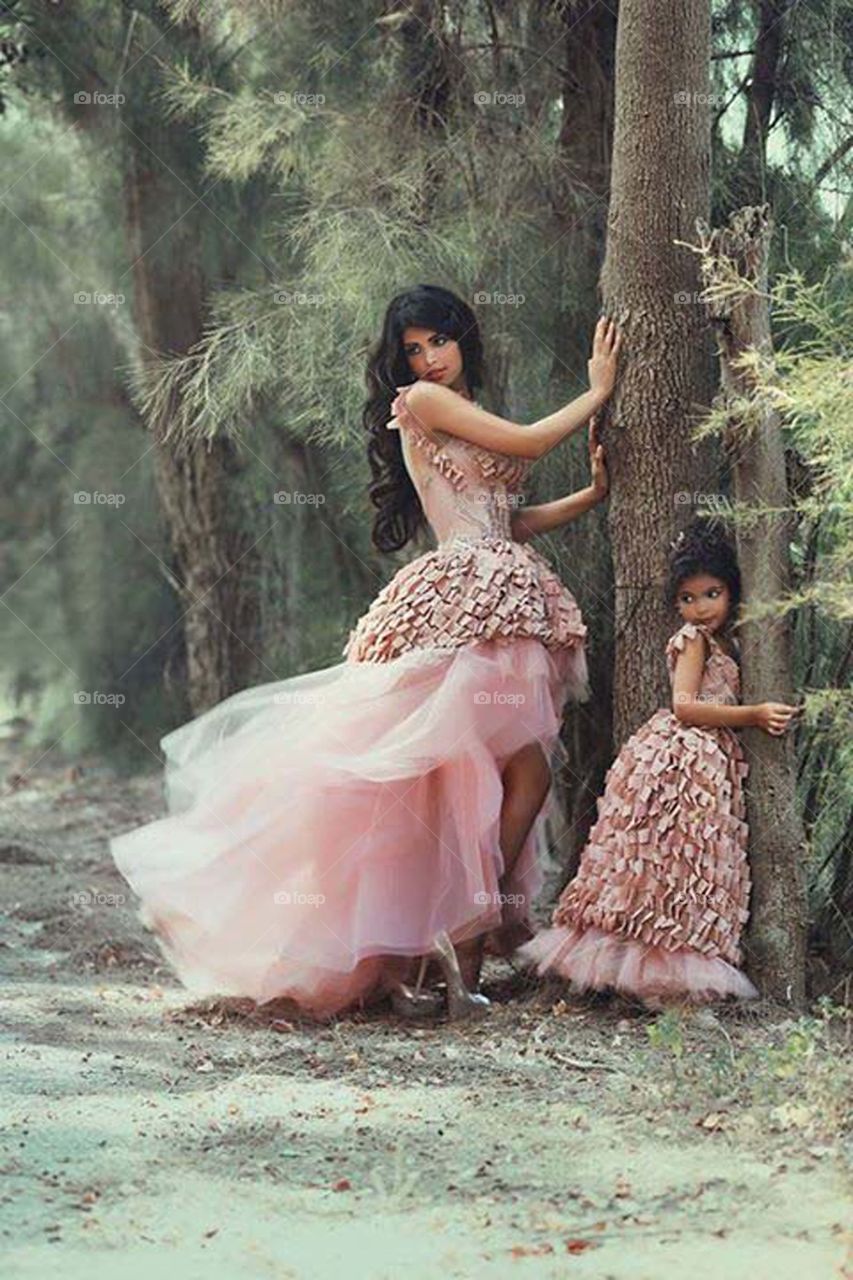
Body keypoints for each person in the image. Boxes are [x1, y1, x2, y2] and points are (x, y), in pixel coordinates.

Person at [109, 284, 621, 1021]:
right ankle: (456, 953)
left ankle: (457, 945)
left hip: (502, 592)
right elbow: (532, 443)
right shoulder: (423, 402)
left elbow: (506, 518)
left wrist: (591, 496)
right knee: (465, 781)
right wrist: (597, 391)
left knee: (518, 779)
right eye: (410, 349)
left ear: (460, 338)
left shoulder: (462, 402)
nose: (425, 359)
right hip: (465, 600)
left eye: (435, 342)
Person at [518, 520, 801, 1008]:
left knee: (691, 866)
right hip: (680, 759)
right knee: (660, 862)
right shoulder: (693, 640)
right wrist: (752, 715)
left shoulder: (731, 642)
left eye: (712, 594)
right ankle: (655, 979)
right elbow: (686, 706)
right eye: (688, 599)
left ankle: (668, 973)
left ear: (732, 591)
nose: (701, 608)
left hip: (708, 765)